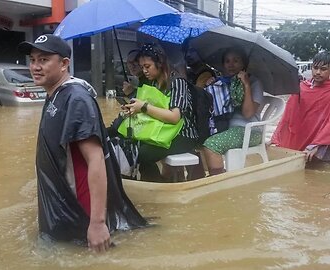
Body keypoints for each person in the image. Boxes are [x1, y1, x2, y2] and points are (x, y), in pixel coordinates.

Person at [17, 34, 146, 252]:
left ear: (64, 64)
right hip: (62, 210)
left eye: (44, 60)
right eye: (33, 60)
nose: (35, 67)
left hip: (80, 215)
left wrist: (97, 223)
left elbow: (96, 159)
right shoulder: (54, 94)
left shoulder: (76, 99)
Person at [124, 43, 198, 181]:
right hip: (161, 129)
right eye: (142, 67)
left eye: (147, 66)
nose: (144, 71)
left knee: (141, 154)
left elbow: (174, 117)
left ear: (160, 63)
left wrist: (144, 107)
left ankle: (155, 188)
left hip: (182, 134)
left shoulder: (177, 82)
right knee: (130, 145)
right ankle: (155, 183)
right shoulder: (151, 83)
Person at [271, 51, 330, 162]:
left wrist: (317, 144)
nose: (318, 72)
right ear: (311, 67)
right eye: (315, 68)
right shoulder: (302, 87)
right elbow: (289, 115)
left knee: (325, 171)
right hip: (302, 136)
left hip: (326, 142)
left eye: (323, 69)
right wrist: (276, 137)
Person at [202, 48, 264, 176]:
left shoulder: (255, 83)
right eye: (227, 61)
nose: (231, 65)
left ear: (244, 64)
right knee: (199, 138)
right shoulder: (224, 82)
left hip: (250, 131)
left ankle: (218, 183)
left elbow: (248, 113)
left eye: (236, 61)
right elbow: (214, 109)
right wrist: (212, 86)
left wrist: (246, 85)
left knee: (211, 145)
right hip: (226, 127)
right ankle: (205, 177)